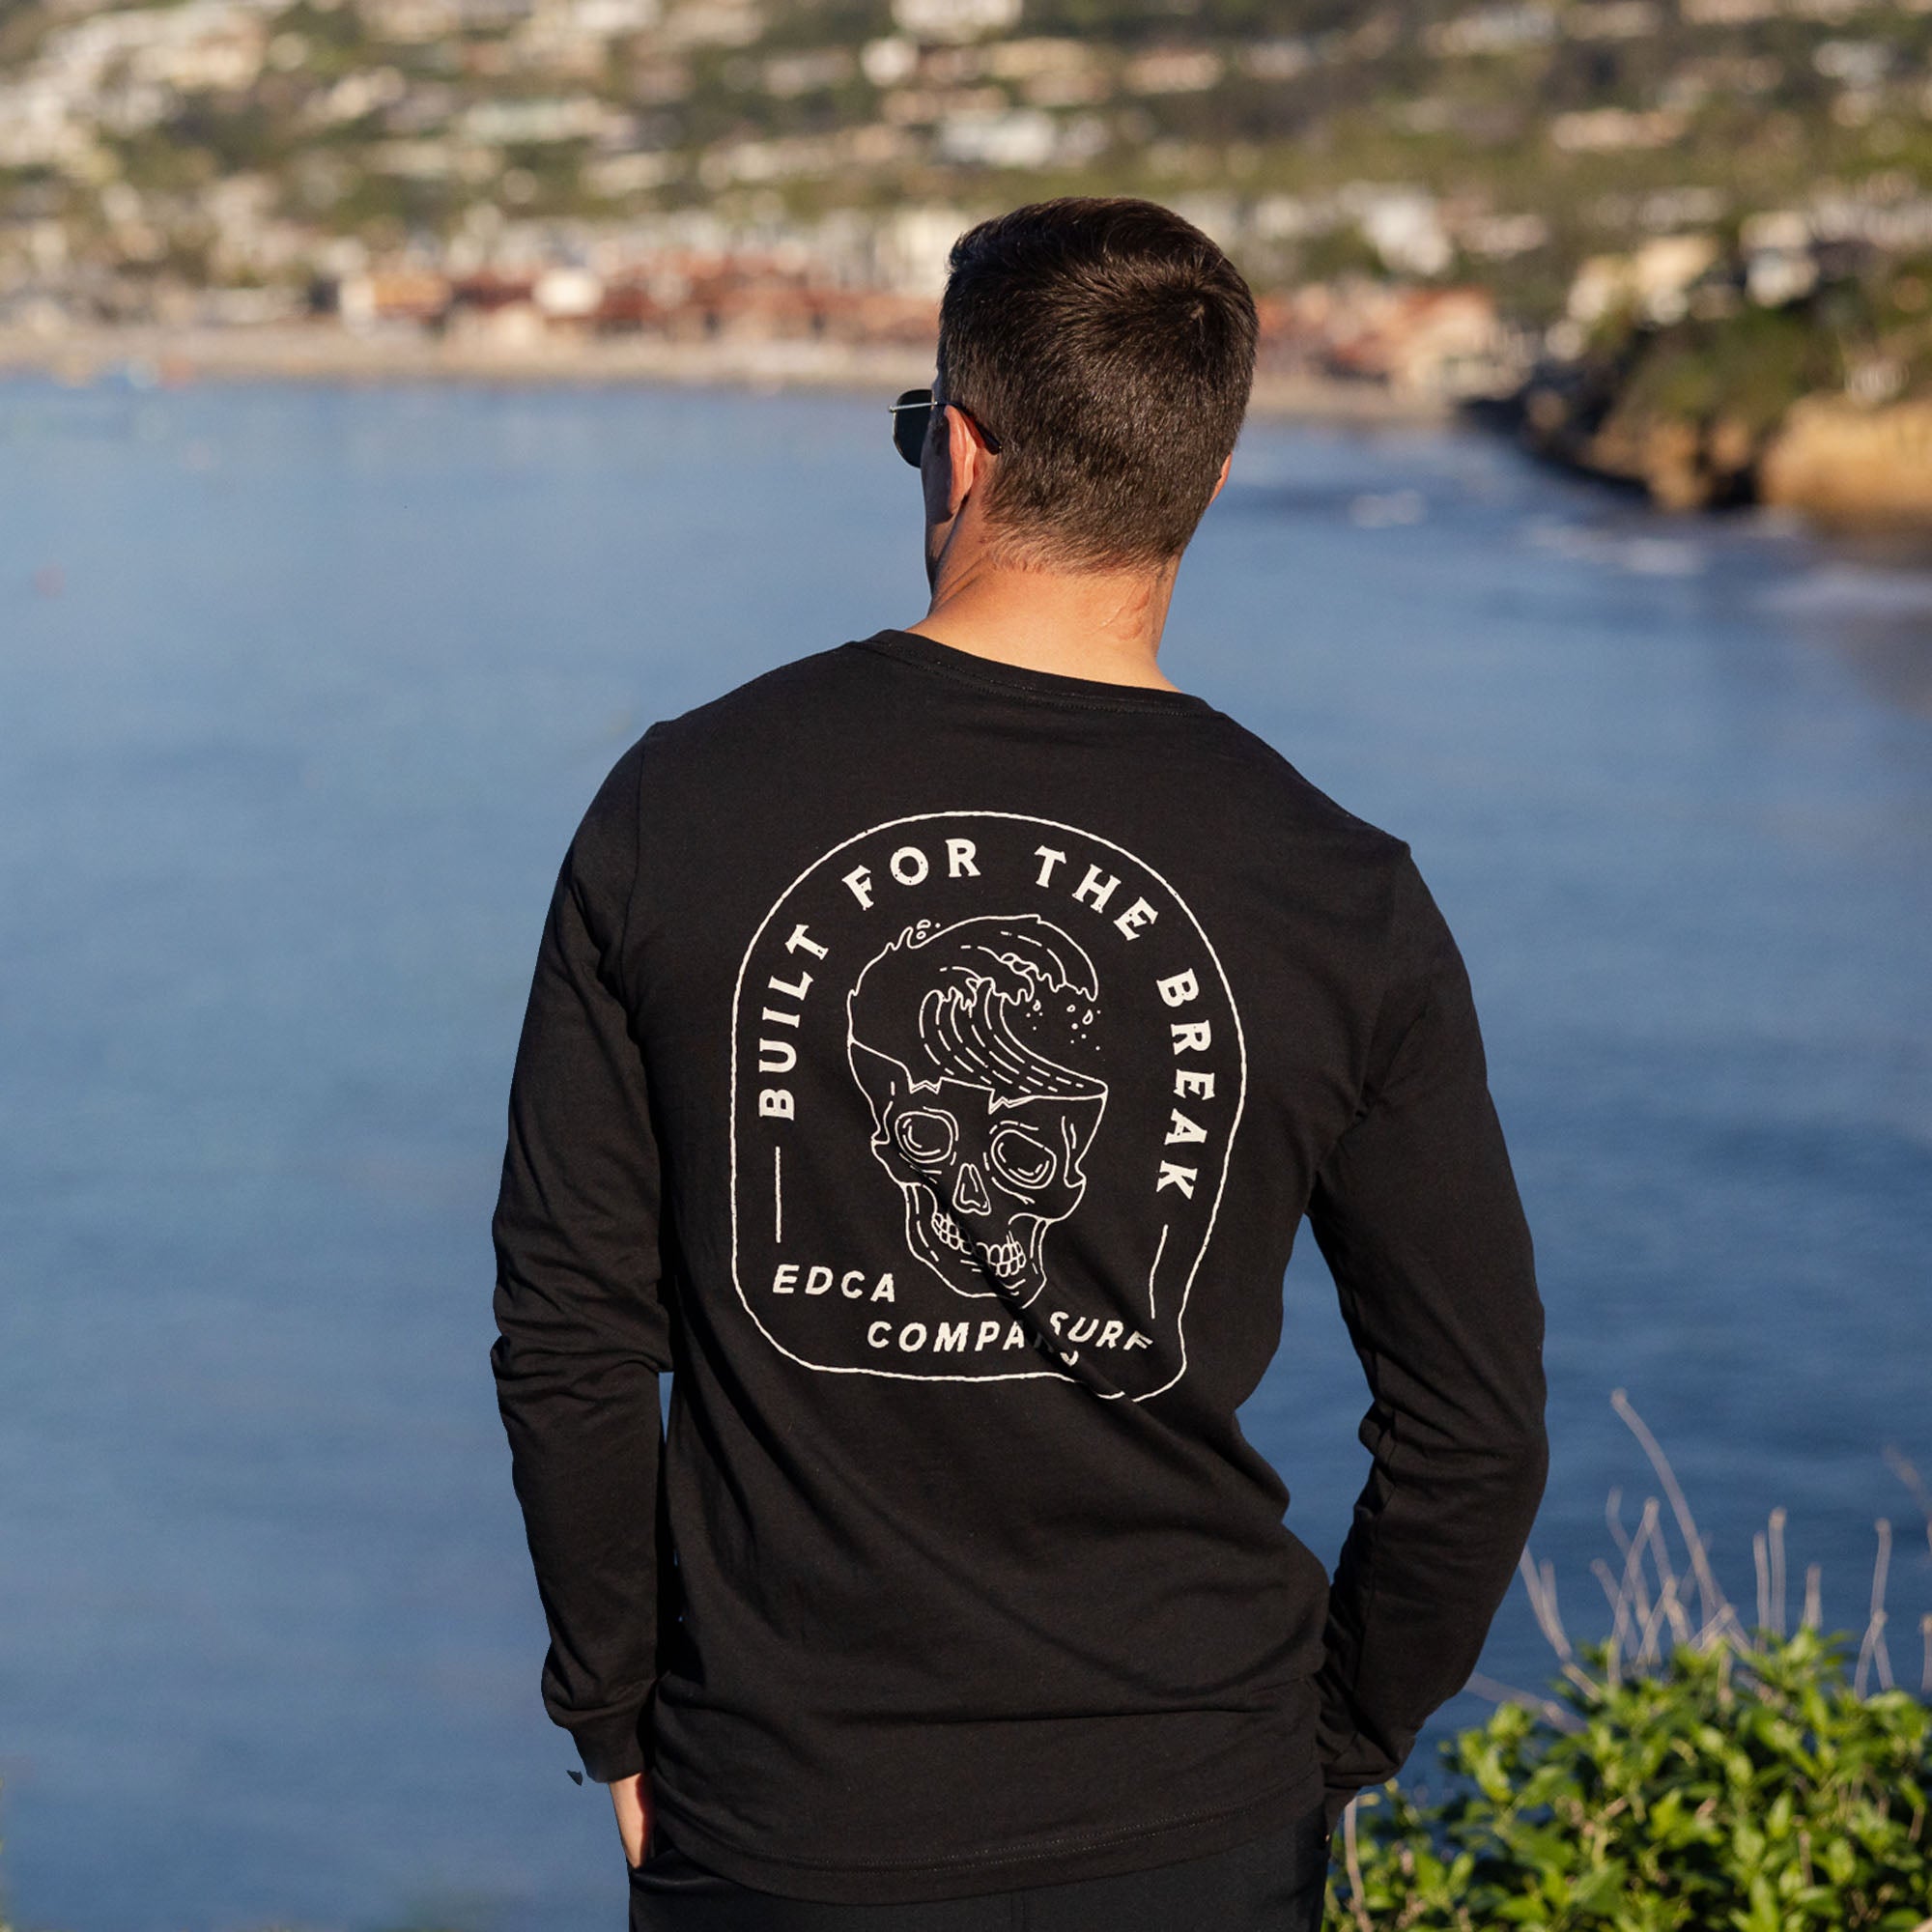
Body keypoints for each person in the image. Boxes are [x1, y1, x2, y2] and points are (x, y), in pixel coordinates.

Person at [490, 196, 1548, 1931]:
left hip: (781, 1816)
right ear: (1205, 486)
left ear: (960, 450)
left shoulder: (676, 808)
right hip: (1197, 1817)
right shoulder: (1341, 894)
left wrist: (613, 1702)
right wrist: (1328, 1742)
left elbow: (574, 1340)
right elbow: (1474, 1433)